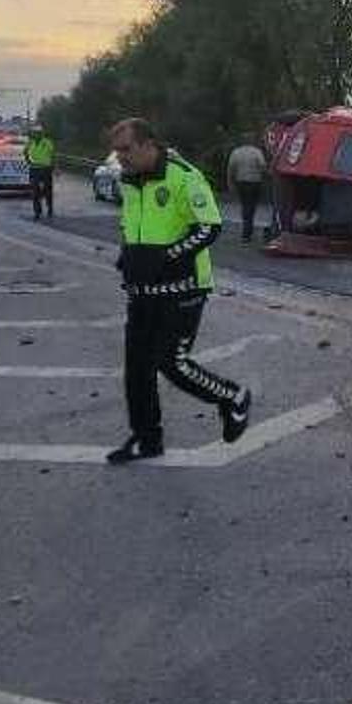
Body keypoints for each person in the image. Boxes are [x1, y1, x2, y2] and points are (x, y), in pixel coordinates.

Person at [104, 117, 252, 464]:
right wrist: (129, 256)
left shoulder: (184, 176)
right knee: (137, 369)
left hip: (183, 288)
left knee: (172, 363)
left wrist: (164, 258)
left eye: (126, 149)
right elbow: (133, 224)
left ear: (148, 144)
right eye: (116, 150)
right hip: (142, 290)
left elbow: (209, 228)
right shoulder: (129, 179)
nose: (120, 156)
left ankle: (232, 397)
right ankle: (147, 440)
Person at [226, 136, 268, 243]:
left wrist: (230, 183)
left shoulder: (236, 152)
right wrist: (265, 177)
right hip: (255, 182)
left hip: (241, 182)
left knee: (245, 206)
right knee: (251, 206)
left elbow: (231, 168)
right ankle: (247, 231)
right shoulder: (256, 152)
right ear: (252, 141)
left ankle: (246, 232)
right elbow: (263, 166)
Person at [24, 125, 56, 220]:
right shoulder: (30, 142)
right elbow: (25, 152)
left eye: (39, 133)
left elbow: (53, 155)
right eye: (35, 133)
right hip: (34, 168)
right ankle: (37, 212)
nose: (37, 135)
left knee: (47, 190)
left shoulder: (47, 142)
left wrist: (55, 167)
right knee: (35, 191)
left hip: (46, 168)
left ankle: (50, 208)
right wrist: (28, 161)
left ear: (42, 134)